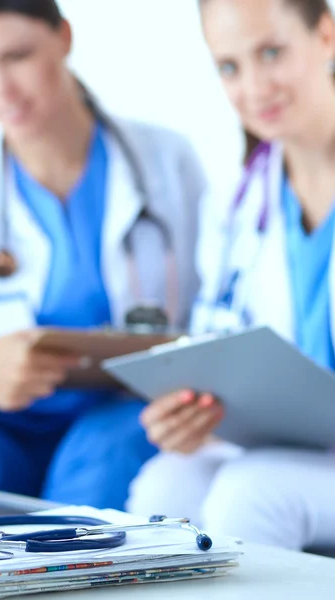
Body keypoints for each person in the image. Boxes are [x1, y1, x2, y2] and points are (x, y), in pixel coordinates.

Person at [0, 0, 206, 511]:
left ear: (64, 37)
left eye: (17, 56)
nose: (1, 89)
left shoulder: (165, 162)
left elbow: (210, 310)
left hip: (113, 418)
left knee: (104, 459)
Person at [128, 0, 335, 551]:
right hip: (299, 446)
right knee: (164, 485)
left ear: (327, 35)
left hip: (295, 467)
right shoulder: (239, 205)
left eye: (271, 53)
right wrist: (194, 418)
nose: (254, 87)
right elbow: (223, 347)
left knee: (252, 493)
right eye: (229, 67)